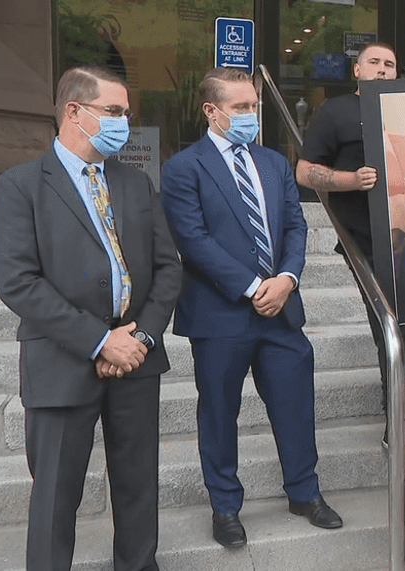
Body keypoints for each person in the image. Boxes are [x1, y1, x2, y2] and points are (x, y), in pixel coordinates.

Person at [0, 65, 182, 570]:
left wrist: (138, 337)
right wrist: (101, 341)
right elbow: (19, 283)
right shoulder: (21, 186)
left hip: (137, 360)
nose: (124, 121)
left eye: (126, 112)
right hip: (61, 362)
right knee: (55, 497)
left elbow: (167, 269)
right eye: (114, 112)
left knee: (139, 486)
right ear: (74, 112)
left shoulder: (136, 184)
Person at [161, 67, 343, 548]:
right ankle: (225, 508)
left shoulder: (274, 162)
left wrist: (286, 279)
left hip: (281, 312)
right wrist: (251, 286)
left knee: (295, 406)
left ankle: (305, 493)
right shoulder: (184, 168)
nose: (251, 115)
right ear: (211, 111)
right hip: (220, 315)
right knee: (219, 413)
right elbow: (193, 241)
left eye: (254, 106)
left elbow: (296, 228)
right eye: (240, 107)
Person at [295, 42, 405, 445]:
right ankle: (397, 411)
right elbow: (305, 172)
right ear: (358, 71)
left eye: (390, 64)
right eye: (374, 62)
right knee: (390, 323)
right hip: (363, 240)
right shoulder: (335, 112)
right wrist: (351, 180)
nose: (382, 69)